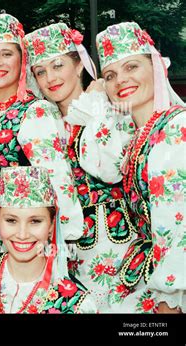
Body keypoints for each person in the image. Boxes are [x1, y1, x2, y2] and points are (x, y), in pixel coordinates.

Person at [24, 22, 135, 311]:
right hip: (64, 250)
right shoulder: (39, 123)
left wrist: (95, 102)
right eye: (41, 71)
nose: (50, 77)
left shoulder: (111, 105)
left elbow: (112, 167)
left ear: (78, 65)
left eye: (58, 65)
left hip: (117, 241)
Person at [86, 22, 185, 313]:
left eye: (132, 67)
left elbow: (178, 224)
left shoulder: (176, 127)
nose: (121, 80)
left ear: (156, 67)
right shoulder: (134, 138)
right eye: (110, 75)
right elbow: (104, 167)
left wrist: (172, 296)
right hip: (144, 277)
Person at [0, 13, 83, 254]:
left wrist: (63, 243)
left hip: (28, 242)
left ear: (22, 60)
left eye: (7, 54)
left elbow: (57, 180)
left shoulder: (36, 111)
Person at [0, 166, 96, 313]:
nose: (22, 234)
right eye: (11, 220)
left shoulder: (77, 305)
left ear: (51, 223)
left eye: (35, 221)